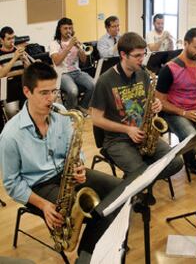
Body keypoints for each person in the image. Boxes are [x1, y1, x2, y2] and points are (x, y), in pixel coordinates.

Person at [0, 62, 122, 262]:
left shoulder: (59, 112)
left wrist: (79, 164)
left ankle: (92, 250)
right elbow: (12, 185)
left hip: (67, 173)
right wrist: (43, 205)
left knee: (119, 190)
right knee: (96, 211)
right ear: (27, 91)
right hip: (39, 185)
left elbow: (74, 149)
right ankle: (87, 257)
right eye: (44, 93)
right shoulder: (10, 136)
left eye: (54, 91)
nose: (51, 99)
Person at [90, 32, 183, 189]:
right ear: (123, 55)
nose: (142, 59)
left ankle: (138, 181)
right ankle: (138, 183)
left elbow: (150, 101)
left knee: (176, 162)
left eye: (143, 54)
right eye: (137, 55)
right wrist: (127, 129)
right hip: (117, 140)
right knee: (141, 173)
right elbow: (96, 119)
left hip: (144, 134)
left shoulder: (143, 74)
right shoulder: (105, 81)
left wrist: (156, 105)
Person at [155, 28, 196, 176]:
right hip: (175, 113)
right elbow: (159, 102)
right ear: (185, 43)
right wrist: (184, 113)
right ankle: (190, 158)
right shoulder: (169, 69)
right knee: (195, 143)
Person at [49, 17, 95, 115]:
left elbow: (83, 60)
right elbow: (57, 61)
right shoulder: (54, 44)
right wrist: (69, 46)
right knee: (73, 90)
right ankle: (69, 113)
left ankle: (82, 106)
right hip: (62, 74)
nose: (68, 31)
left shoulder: (75, 42)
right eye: (65, 28)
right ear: (59, 29)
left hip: (76, 72)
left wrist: (80, 49)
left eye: (70, 28)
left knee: (94, 85)